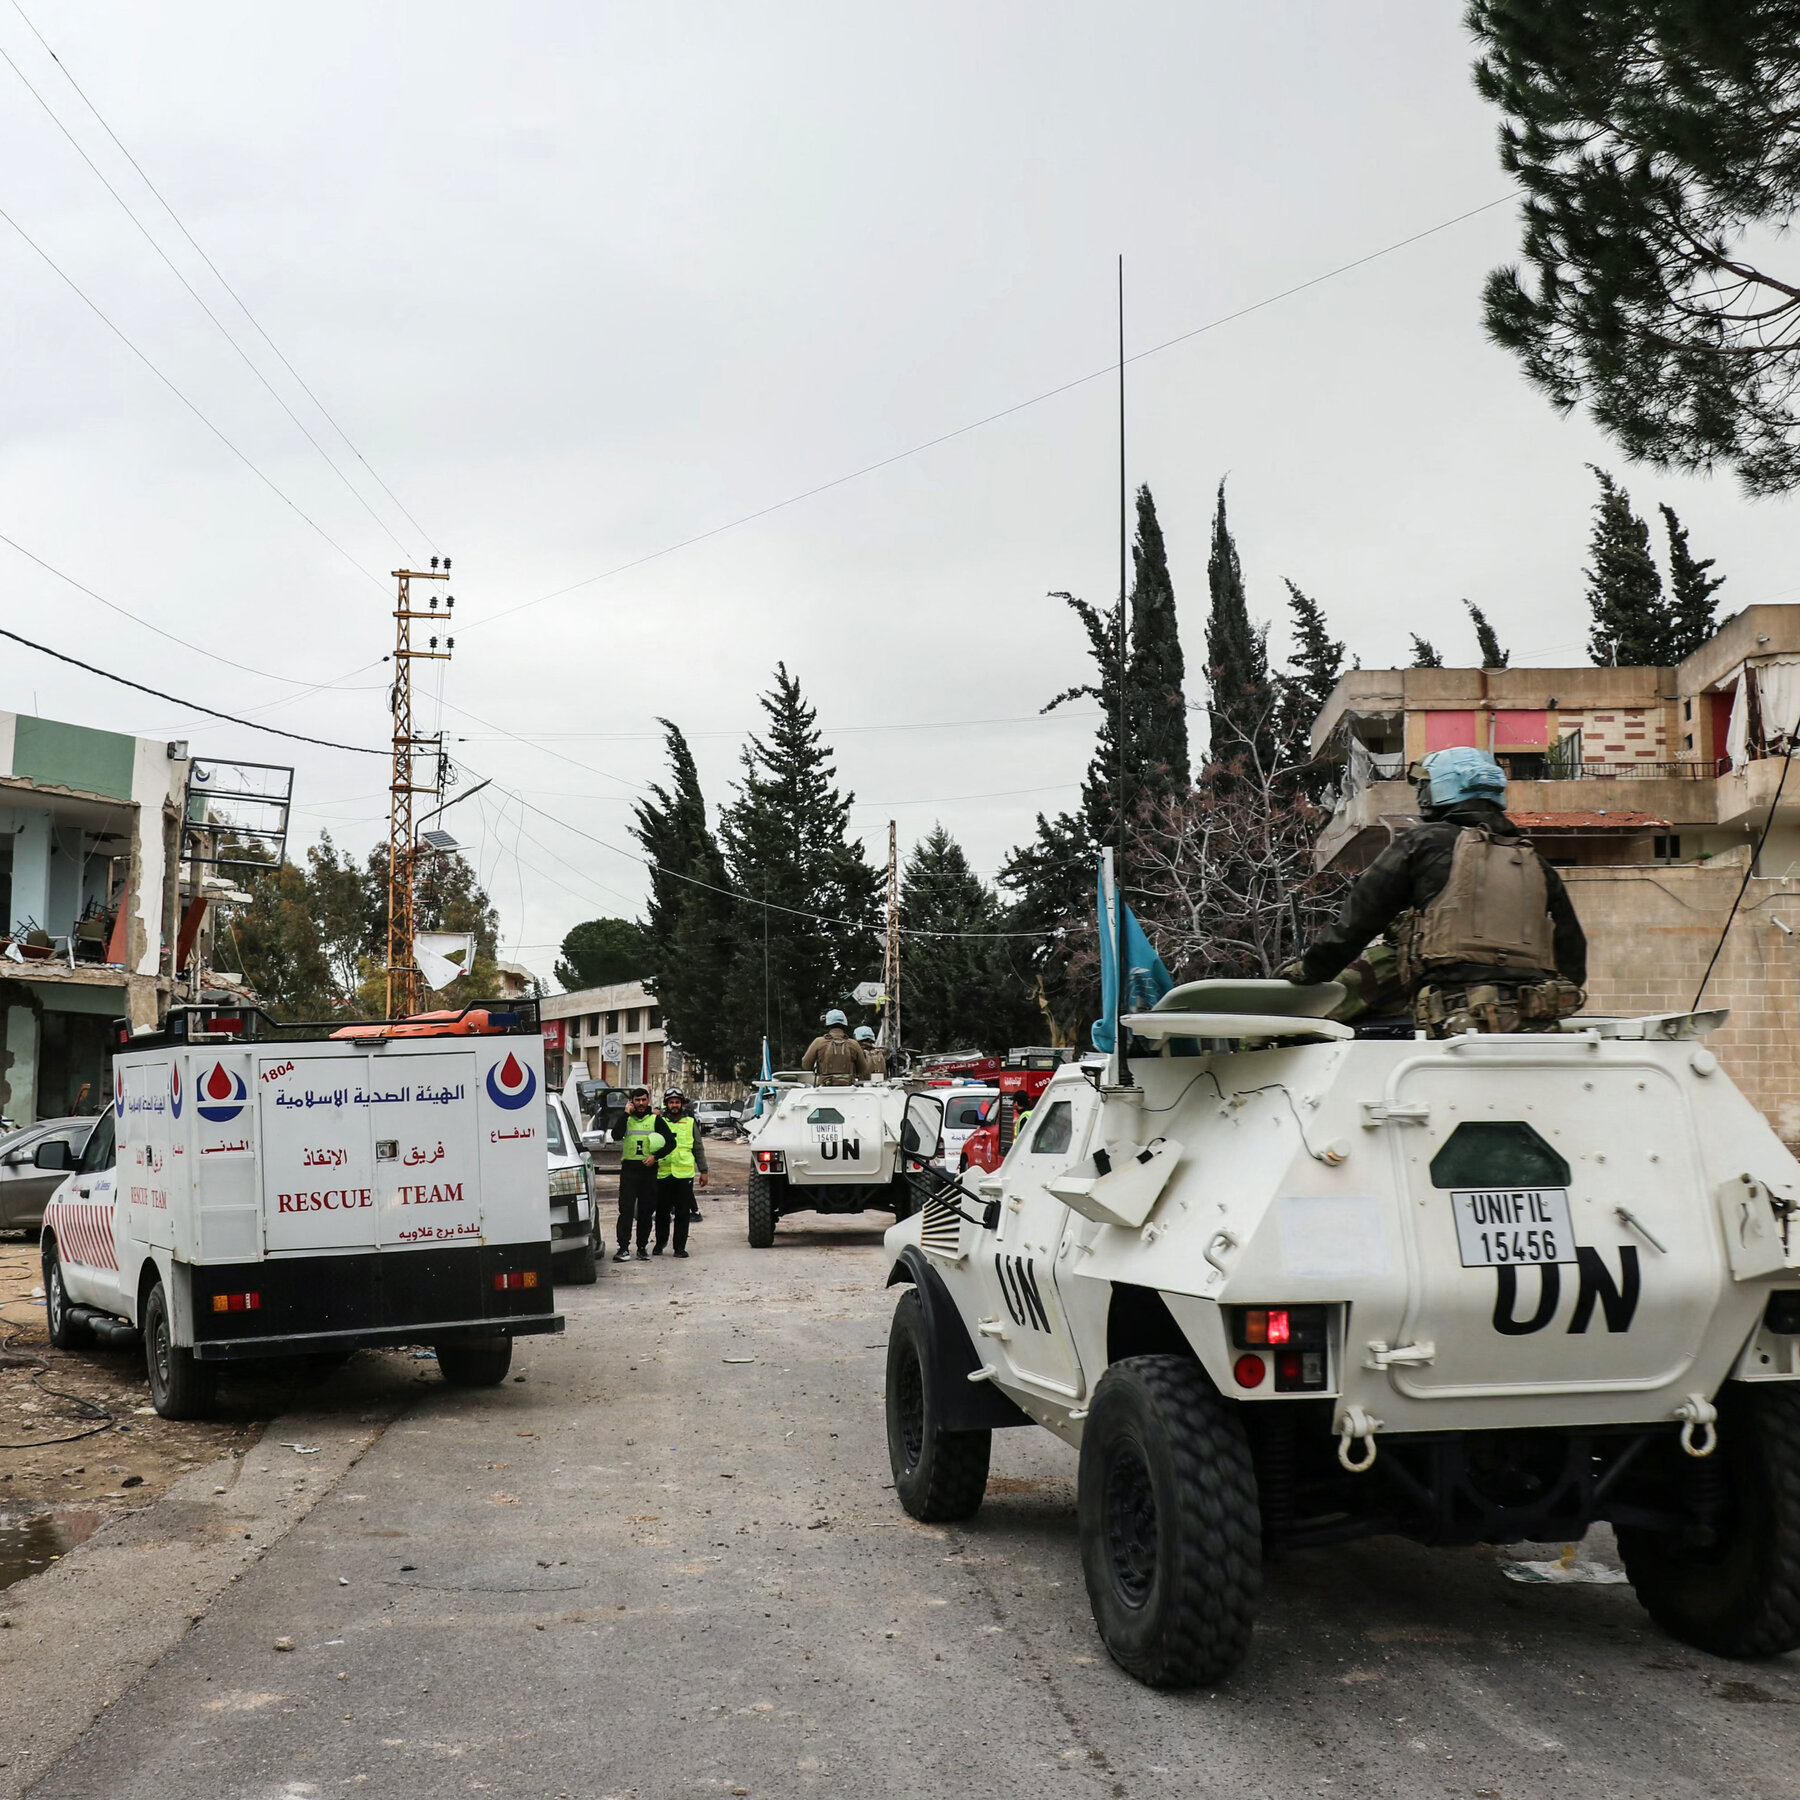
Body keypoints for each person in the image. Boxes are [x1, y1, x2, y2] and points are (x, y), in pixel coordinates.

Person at [1285, 746, 1586, 1037]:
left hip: (1457, 1024)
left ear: (1443, 788)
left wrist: (1311, 970)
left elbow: (1357, 922)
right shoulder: (1537, 864)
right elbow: (1573, 961)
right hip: (1535, 1029)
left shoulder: (1423, 843)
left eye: (1425, 786)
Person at [610, 1086, 674, 1260]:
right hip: (629, 1171)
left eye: (643, 1100)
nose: (640, 1103)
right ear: (631, 1101)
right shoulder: (626, 1119)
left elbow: (671, 1143)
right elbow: (615, 1135)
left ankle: (642, 1247)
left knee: (646, 1211)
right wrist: (625, 1114)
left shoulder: (655, 1120)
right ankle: (623, 1248)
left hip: (648, 1172)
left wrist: (655, 1157)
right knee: (626, 1210)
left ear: (648, 1100)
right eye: (637, 1100)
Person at [652, 1087, 708, 1254]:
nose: (674, 1105)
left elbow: (698, 1147)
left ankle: (679, 1247)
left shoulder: (690, 1122)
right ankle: (660, 1243)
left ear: (682, 1104)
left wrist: (704, 1171)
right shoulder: (659, 1121)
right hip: (663, 1173)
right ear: (666, 1104)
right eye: (671, 1102)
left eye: (677, 1102)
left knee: (683, 1213)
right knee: (662, 1212)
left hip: (684, 1175)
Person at [800, 1009, 870, 1086]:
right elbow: (863, 1070)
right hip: (848, 1087)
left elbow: (806, 1065)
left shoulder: (818, 1042)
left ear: (828, 1024)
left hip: (824, 1087)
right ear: (844, 1024)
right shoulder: (854, 1044)